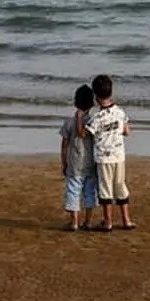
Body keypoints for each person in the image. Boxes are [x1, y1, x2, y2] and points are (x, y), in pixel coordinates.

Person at [81, 74, 135, 231]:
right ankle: (126, 220)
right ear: (111, 92)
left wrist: (80, 117)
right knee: (120, 186)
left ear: (96, 97)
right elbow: (127, 131)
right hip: (118, 155)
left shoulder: (97, 118)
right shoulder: (120, 112)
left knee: (105, 190)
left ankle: (108, 221)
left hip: (103, 158)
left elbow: (84, 134)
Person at [59, 84, 98, 231]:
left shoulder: (69, 122)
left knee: (73, 191)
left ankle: (74, 222)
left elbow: (64, 145)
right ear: (92, 103)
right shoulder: (93, 122)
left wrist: (64, 162)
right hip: (90, 163)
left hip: (74, 163)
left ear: (75, 102)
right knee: (89, 192)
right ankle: (87, 221)